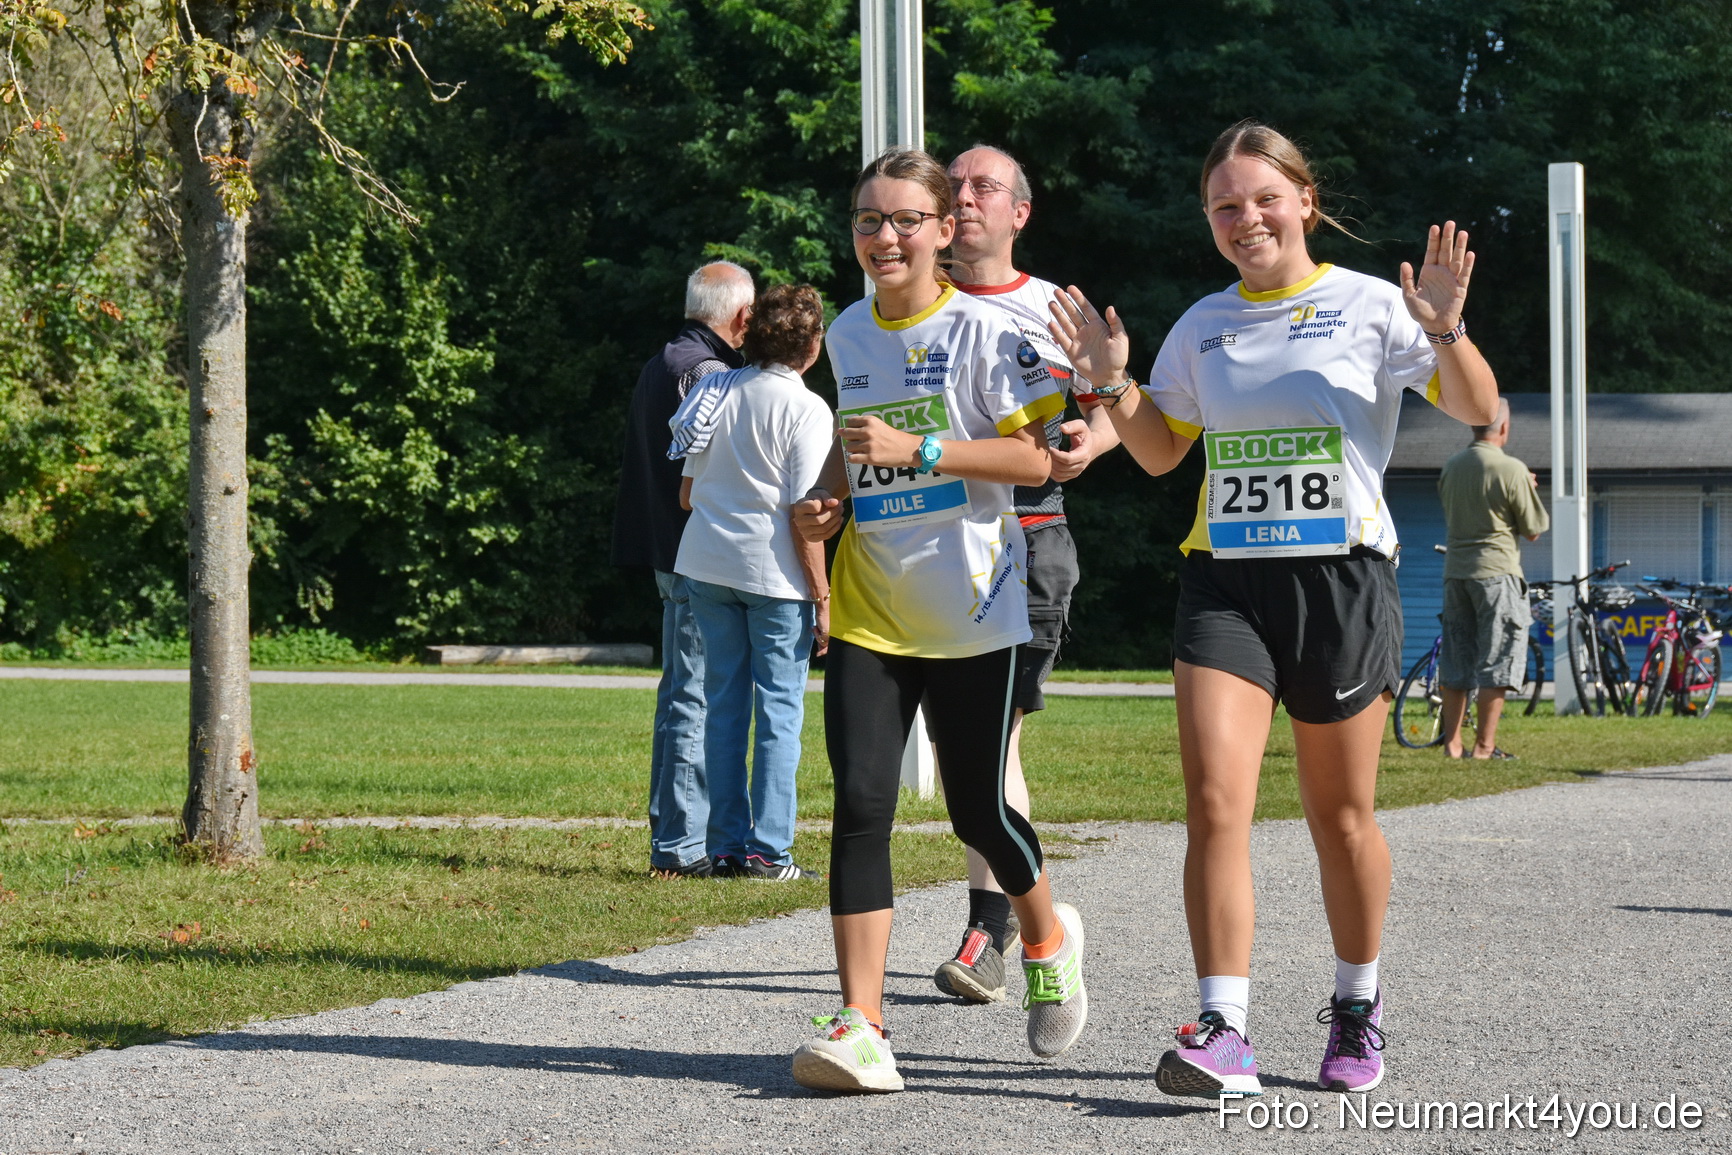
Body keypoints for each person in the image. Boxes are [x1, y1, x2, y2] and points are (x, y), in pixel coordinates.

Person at [1048, 120, 1498, 1098]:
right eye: (1223, 206)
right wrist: (1114, 383)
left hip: (1338, 583)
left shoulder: (1372, 303)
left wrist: (1443, 326)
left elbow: (1474, 408)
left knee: (1339, 818)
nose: (1243, 217)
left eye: (1260, 198)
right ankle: (1223, 1028)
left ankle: (1355, 1006)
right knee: (1214, 806)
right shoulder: (1203, 324)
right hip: (1225, 582)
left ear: (1302, 199)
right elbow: (1164, 451)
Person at [786, 148, 1089, 1094]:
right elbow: (852, 445)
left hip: (972, 608)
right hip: (874, 608)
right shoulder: (846, 330)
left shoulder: (985, 331)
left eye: (904, 219)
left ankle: (1045, 935)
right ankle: (863, 1024)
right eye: (868, 220)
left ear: (944, 229)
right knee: (862, 807)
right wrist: (827, 498)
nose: (884, 236)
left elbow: (1039, 461)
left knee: (982, 812)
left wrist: (919, 447)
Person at [929, 145, 1122, 1004]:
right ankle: (1025, 916)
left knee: (990, 734)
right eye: (954, 187)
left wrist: (1092, 441)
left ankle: (992, 929)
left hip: (1026, 539)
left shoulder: (1055, 308)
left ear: (1019, 213)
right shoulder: (905, 301)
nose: (964, 199)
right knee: (963, 740)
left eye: (983, 188)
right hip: (922, 548)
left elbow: (1122, 411)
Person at [672, 284, 832, 881]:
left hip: (707, 565)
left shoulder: (716, 391)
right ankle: (770, 851)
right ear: (812, 347)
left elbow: (686, 493)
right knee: (780, 714)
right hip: (775, 577)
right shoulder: (809, 410)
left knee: (723, 709)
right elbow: (806, 515)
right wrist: (823, 596)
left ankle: (725, 848)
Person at [611, 261, 754, 880]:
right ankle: (680, 843)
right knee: (693, 696)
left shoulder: (664, 360)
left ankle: (679, 836)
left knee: (684, 693)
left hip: (671, 550)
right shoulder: (706, 373)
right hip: (696, 554)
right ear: (739, 316)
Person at [1437, 399, 1548, 759]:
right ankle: (1484, 747)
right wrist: (1527, 486)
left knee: (1456, 657)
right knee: (1497, 659)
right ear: (1503, 428)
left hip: (1456, 573)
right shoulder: (1511, 469)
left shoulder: (1452, 467)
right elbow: (1533, 529)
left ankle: (1452, 745)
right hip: (1497, 574)